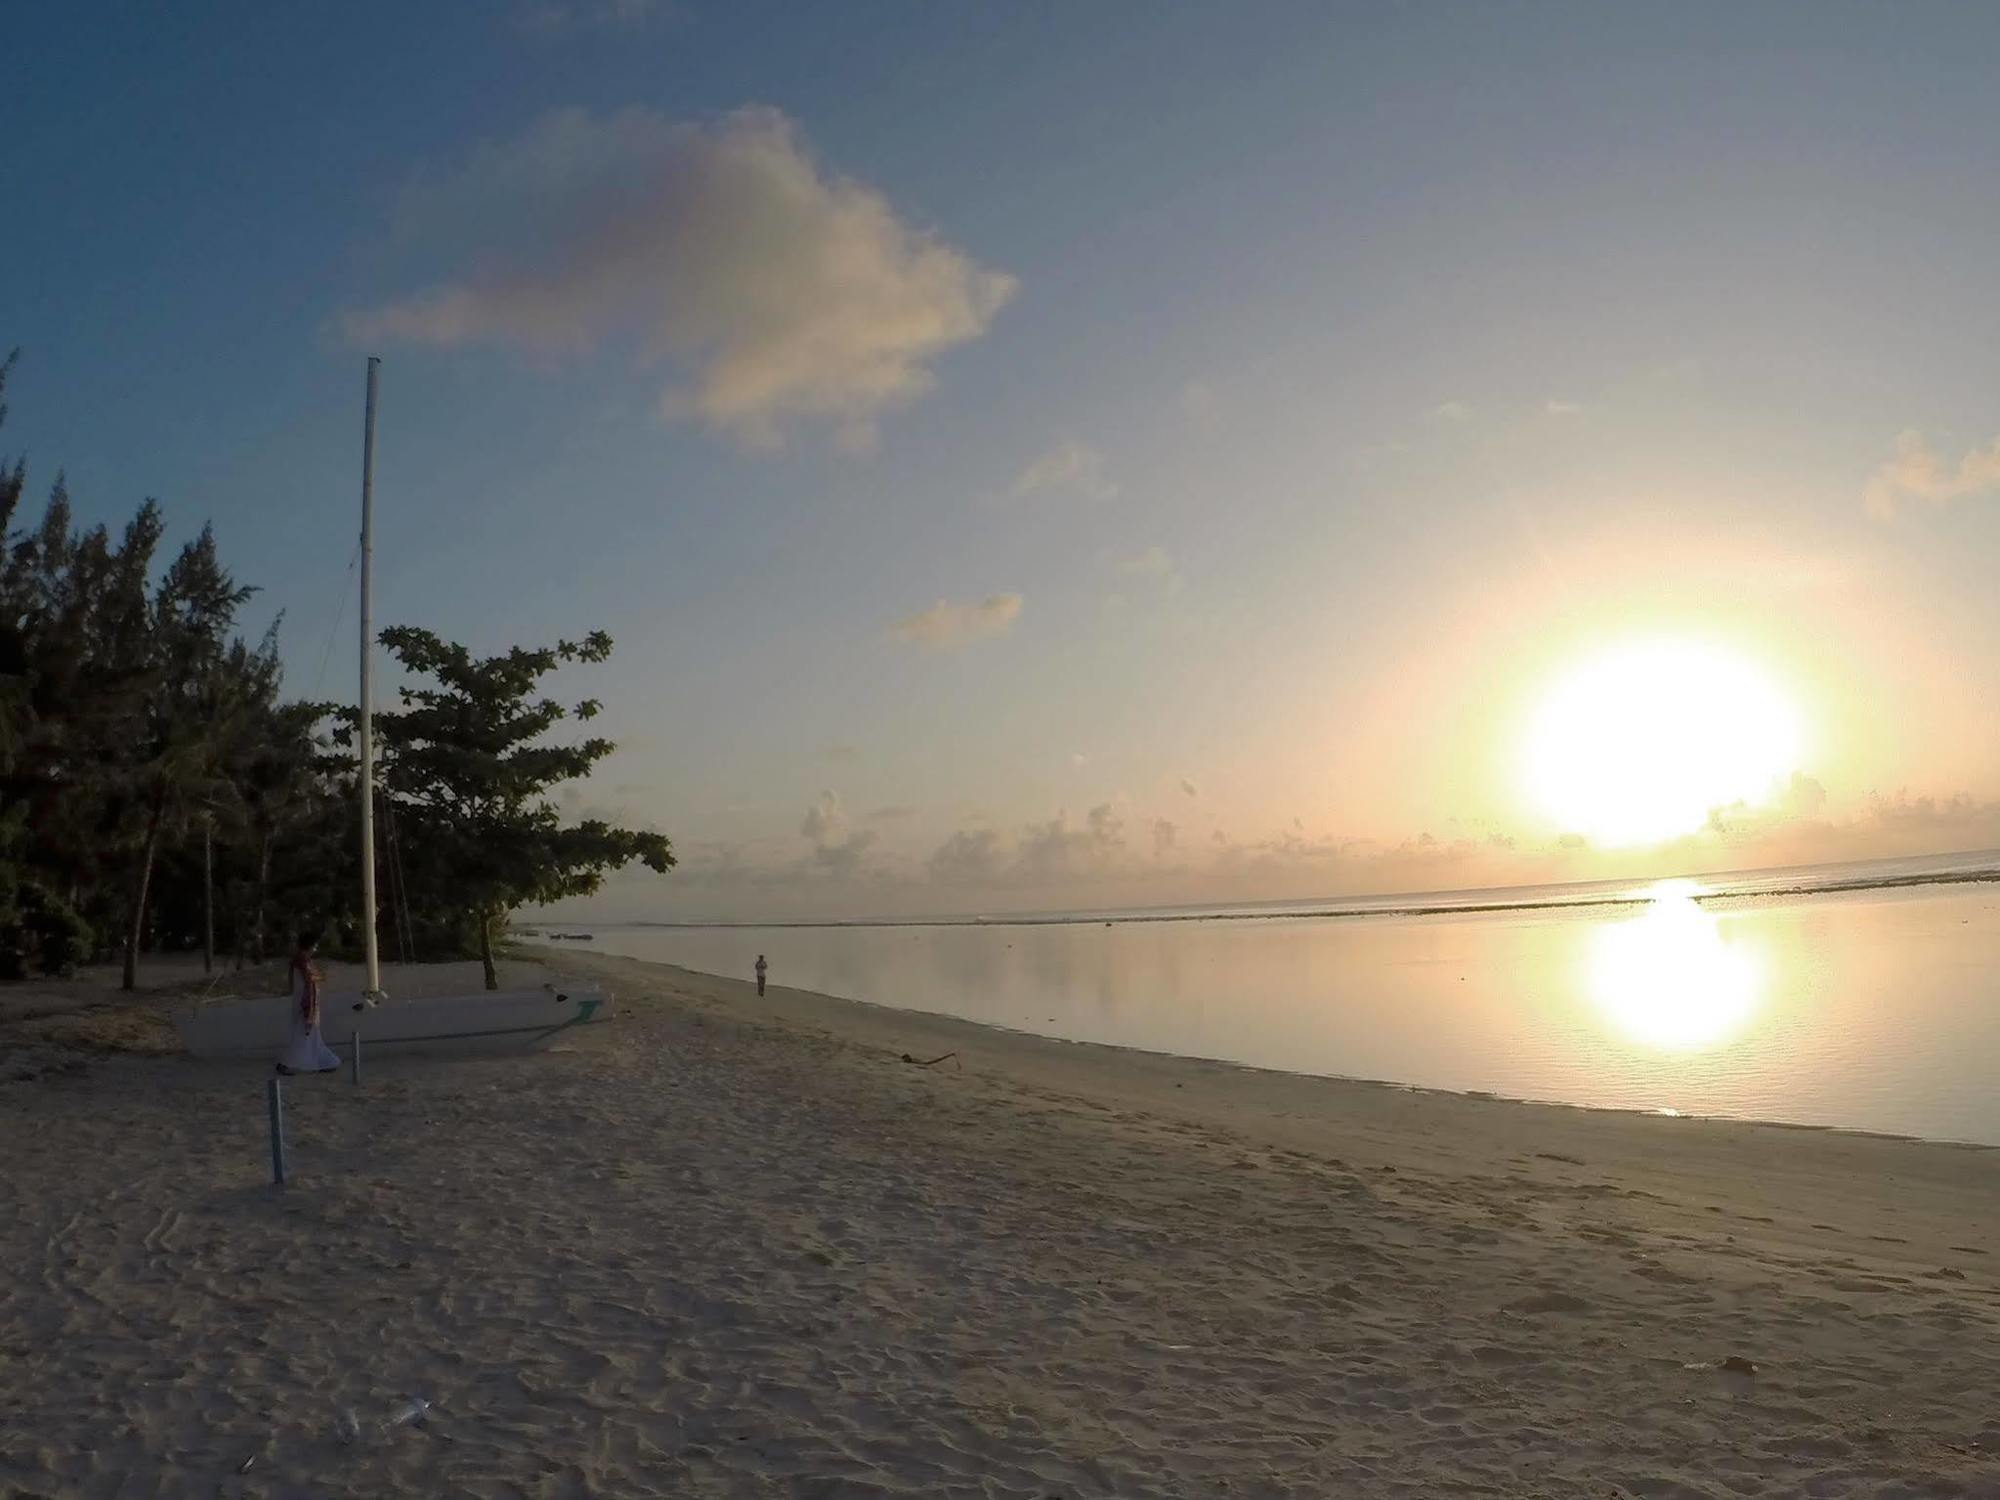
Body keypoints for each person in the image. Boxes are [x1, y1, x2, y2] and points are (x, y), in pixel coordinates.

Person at [276, 930, 341, 1075]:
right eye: (315, 946)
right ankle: (287, 1063)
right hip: (304, 1003)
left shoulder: (304, 961)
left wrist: (317, 977)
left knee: (311, 1035)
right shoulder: (301, 961)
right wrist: (318, 977)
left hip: (308, 1001)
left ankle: (322, 1061)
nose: (316, 949)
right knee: (303, 1033)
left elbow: (316, 977)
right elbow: (310, 978)